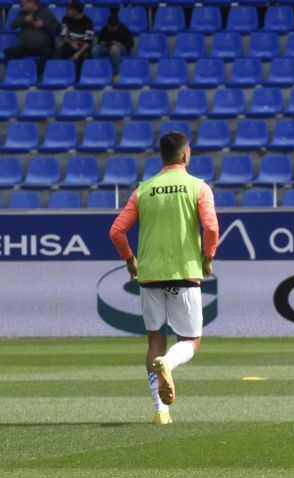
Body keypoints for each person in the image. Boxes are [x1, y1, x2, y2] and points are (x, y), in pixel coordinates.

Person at [109, 132, 219, 425]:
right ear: (186, 154)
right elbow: (211, 228)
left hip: (149, 275)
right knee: (191, 341)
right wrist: (208, 258)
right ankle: (168, 363)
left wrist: (130, 260)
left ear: (162, 156)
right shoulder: (198, 187)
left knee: (155, 340)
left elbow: (116, 231)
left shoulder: (144, 189)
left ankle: (161, 411)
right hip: (184, 272)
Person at [3, 0, 60, 71]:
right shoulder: (22, 13)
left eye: (24, 3)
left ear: (32, 3)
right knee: (8, 52)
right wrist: (24, 20)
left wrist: (44, 24)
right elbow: (12, 26)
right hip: (25, 47)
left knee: (49, 53)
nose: (21, 5)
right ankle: (14, 74)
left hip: (42, 48)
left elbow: (57, 27)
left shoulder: (46, 12)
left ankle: (36, 74)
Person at [54, 0, 93, 74]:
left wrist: (78, 53)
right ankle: (59, 74)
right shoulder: (66, 18)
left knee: (84, 57)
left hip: (82, 47)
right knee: (58, 52)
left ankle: (80, 77)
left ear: (76, 11)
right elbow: (63, 36)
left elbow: (87, 42)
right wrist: (71, 43)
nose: (66, 11)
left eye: (69, 9)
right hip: (69, 44)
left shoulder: (88, 22)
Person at [91, 10, 133, 75]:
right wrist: (103, 43)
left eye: (113, 28)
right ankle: (98, 69)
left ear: (118, 25)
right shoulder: (105, 28)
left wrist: (120, 44)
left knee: (114, 48)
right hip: (107, 46)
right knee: (95, 49)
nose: (111, 30)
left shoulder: (124, 29)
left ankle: (115, 73)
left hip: (120, 47)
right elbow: (99, 41)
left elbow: (131, 43)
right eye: (110, 27)